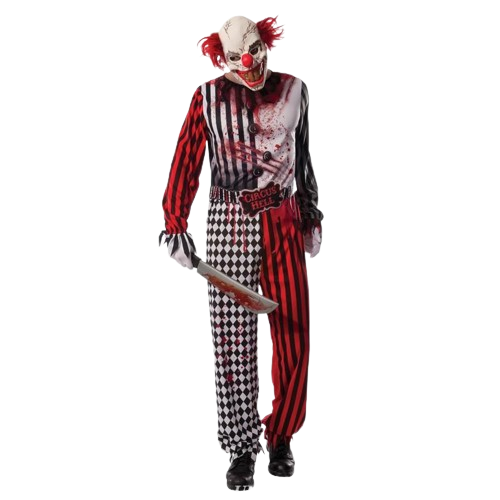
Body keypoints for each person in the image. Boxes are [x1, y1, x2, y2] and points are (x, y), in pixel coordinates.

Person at [159, 14, 323, 492]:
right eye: (236, 56)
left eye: (254, 49)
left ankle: (281, 435)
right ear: (221, 58)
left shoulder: (295, 89)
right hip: (228, 224)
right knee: (231, 340)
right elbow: (186, 162)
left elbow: (303, 156)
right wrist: (175, 223)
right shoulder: (206, 97)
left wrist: (311, 213)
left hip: (284, 221)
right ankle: (241, 447)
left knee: (294, 331)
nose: (248, 63)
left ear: (267, 43)